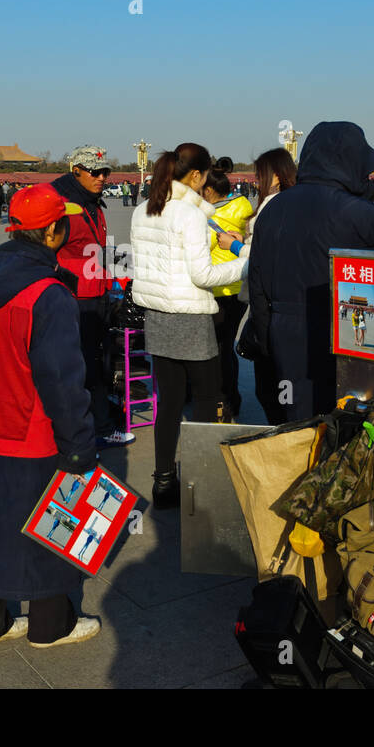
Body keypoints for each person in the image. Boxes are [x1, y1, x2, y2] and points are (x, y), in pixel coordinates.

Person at [0, 184, 100, 651]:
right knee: (52, 523)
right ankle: (50, 625)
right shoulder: (48, 294)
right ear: (53, 231)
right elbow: (61, 379)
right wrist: (79, 443)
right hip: (31, 430)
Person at [248, 123, 374, 423]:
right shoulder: (368, 217)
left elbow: (257, 286)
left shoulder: (271, 210)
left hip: (285, 335)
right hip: (346, 336)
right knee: (344, 422)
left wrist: (268, 341)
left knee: (294, 421)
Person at [131, 143, 244, 507]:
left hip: (158, 316)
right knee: (208, 401)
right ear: (196, 175)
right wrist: (245, 263)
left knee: (170, 403)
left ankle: (163, 480)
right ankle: (202, 478)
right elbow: (202, 274)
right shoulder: (189, 215)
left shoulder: (142, 210)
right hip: (192, 317)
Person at [52, 146, 133, 448]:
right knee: (81, 365)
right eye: (94, 172)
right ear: (76, 171)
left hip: (96, 294)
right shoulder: (62, 205)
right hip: (74, 297)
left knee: (95, 361)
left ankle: (95, 426)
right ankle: (89, 431)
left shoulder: (92, 204)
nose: (101, 178)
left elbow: (97, 248)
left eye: (105, 172)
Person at [218, 148, 296, 425]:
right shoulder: (289, 202)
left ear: (275, 175)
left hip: (269, 303)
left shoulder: (273, 205)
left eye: (259, 174)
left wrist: (236, 246)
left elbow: (263, 260)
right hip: (281, 303)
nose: (256, 179)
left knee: (269, 384)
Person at [199, 157, 253, 421]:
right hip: (236, 287)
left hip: (220, 289)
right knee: (223, 347)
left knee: (217, 350)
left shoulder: (213, 213)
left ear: (208, 191)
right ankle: (229, 400)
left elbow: (203, 248)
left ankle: (226, 402)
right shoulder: (243, 206)